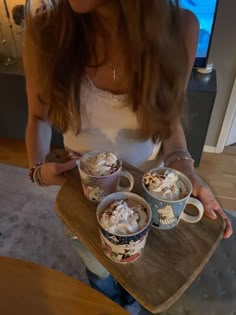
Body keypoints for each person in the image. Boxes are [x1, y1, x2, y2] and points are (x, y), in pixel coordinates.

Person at [23, 0, 233, 313]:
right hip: (82, 197)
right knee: (98, 270)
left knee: (137, 272)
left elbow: (169, 122)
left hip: (148, 195)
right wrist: (38, 170)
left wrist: (185, 170)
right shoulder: (45, 31)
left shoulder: (181, 28)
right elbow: (38, 118)